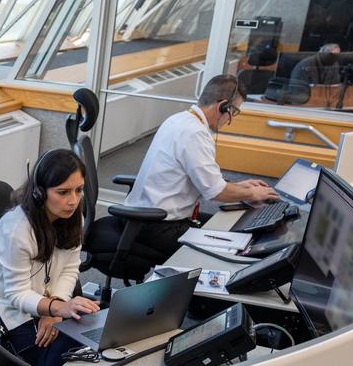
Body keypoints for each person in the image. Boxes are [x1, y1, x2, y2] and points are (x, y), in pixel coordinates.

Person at [95, 75, 277, 257]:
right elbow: (216, 192)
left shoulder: (180, 119)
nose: (231, 120)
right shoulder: (194, 133)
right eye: (233, 112)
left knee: (231, 228)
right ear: (222, 106)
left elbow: (207, 180)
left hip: (147, 218)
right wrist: (253, 193)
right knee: (231, 248)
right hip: (157, 226)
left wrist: (239, 187)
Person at [0, 149, 100, 366]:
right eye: (62, 192)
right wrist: (56, 308)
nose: (73, 200)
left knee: (86, 340)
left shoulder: (73, 218)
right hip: (3, 307)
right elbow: (16, 295)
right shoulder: (16, 230)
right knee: (53, 362)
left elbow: (71, 268)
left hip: (44, 299)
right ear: (40, 193)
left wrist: (57, 308)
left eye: (79, 190)